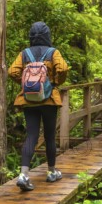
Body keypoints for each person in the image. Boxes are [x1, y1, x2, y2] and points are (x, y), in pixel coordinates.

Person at [8, 22, 69, 191]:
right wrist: (55, 82)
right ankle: (51, 172)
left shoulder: (25, 54)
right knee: (49, 136)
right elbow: (62, 68)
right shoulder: (53, 52)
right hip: (48, 100)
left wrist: (25, 84)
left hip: (29, 100)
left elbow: (12, 71)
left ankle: (24, 175)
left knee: (31, 136)